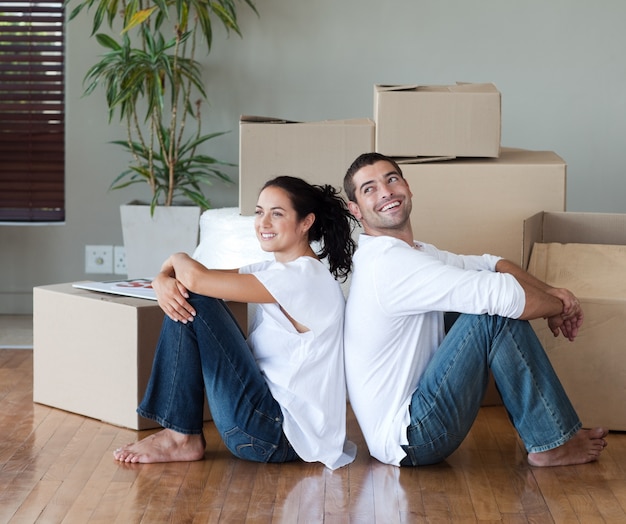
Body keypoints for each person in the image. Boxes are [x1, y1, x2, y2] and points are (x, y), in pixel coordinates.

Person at [342, 152, 608, 468]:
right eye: (369, 189)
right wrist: (561, 307)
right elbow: (503, 296)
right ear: (356, 209)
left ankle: (551, 436)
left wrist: (550, 293)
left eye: (391, 179)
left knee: (487, 294)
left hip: (410, 420)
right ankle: (553, 441)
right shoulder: (391, 264)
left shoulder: (410, 252)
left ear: (407, 188)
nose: (385, 192)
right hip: (413, 436)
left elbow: (489, 264)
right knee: (492, 314)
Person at [113, 176, 358, 470]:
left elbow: (193, 279)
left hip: (273, 435)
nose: (263, 223)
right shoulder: (276, 269)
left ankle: (180, 437)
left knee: (196, 297)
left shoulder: (303, 278)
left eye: (276, 214)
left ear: (305, 222)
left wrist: (177, 258)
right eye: (259, 212)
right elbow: (193, 275)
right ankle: (179, 435)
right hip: (268, 427)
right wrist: (162, 279)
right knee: (194, 292)